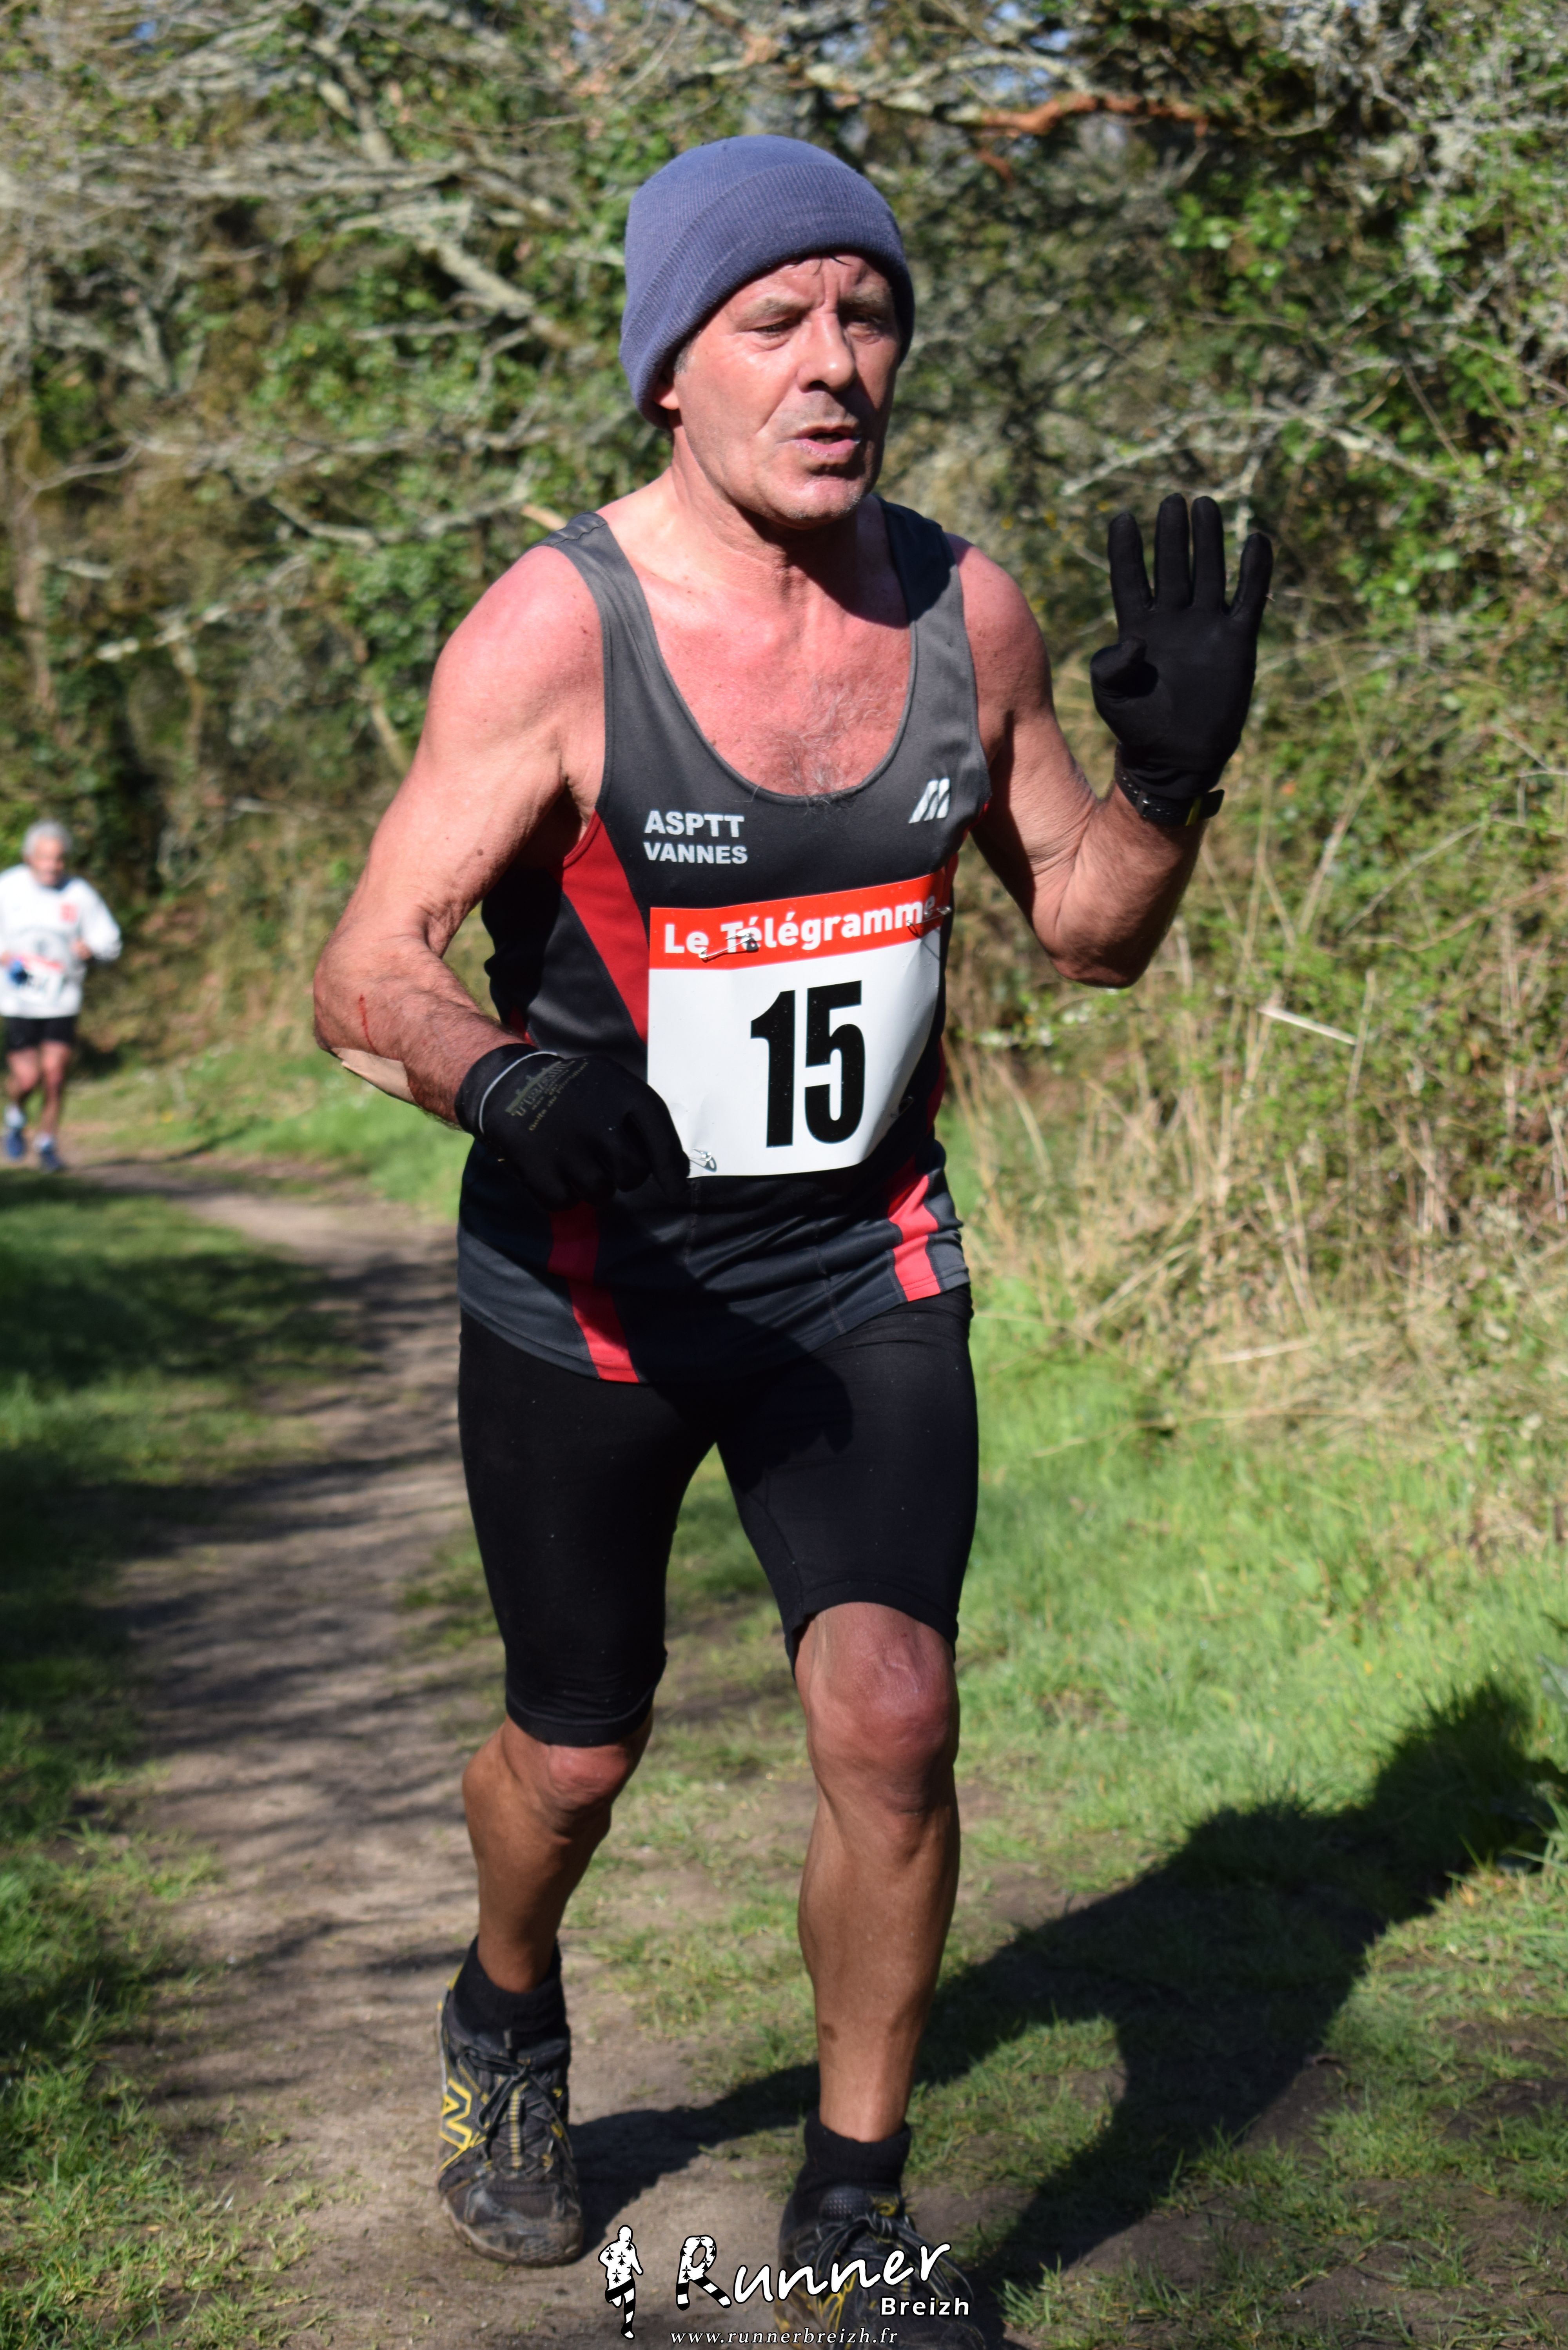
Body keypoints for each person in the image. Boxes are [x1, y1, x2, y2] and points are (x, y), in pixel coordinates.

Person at [314, 135, 1270, 2344]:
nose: (836, 364)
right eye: (776, 322)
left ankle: (853, 2209)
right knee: (574, 1751)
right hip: (595, 1286)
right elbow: (366, 967)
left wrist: (1170, 785)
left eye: (870, 316)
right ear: (673, 365)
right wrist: (502, 1080)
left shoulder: (964, 613)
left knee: (894, 1709)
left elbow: (1089, 932)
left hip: (861, 1263)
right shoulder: (559, 629)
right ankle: (508, 2000)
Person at [2, 819, 122, 1171]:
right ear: (29, 857)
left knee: (54, 1075)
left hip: (62, 999)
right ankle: (15, 1115)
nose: (52, 866)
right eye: (45, 858)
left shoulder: (79, 894)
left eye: (59, 859)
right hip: (20, 1000)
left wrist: (91, 948)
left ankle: (47, 1143)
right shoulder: (8, 888)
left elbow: (110, 940)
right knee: (28, 1078)